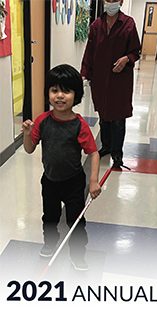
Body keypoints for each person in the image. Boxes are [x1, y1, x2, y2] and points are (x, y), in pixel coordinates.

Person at [22, 64, 101, 271]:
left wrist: (93, 181)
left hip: (74, 182)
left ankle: (78, 255)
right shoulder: (43, 121)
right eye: (54, 90)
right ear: (48, 93)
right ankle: (49, 244)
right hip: (49, 181)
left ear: (76, 95)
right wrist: (27, 133)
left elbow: (93, 153)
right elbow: (29, 149)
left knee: (76, 221)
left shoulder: (79, 125)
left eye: (66, 91)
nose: (59, 96)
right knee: (49, 217)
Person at [81, 0, 141, 168]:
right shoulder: (96, 26)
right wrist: (84, 74)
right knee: (103, 115)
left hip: (119, 80)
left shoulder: (128, 24)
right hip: (100, 80)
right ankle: (106, 146)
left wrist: (126, 59)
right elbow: (89, 52)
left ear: (121, 1)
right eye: (108, 0)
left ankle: (117, 154)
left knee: (118, 118)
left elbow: (136, 51)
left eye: (114, 0)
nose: (110, 3)